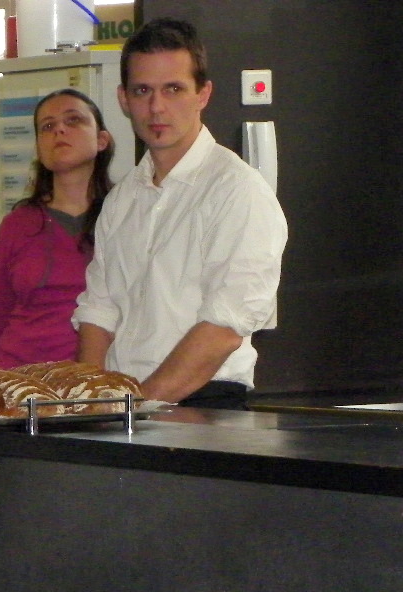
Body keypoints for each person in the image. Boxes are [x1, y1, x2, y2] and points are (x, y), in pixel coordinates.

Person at [73, 18, 288, 409]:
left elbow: (224, 329)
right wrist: (88, 402)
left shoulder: (238, 190)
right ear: (123, 99)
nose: (156, 107)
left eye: (173, 89)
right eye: (143, 91)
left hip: (204, 404)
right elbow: (99, 311)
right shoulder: (121, 200)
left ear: (203, 94)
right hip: (126, 403)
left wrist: (137, 407)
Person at [0, 89, 113, 369]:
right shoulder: (17, 224)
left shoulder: (125, 215)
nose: (59, 130)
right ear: (39, 148)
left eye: (73, 120)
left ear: (102, 140)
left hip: (96, 379)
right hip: (16, 378)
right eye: (48, 126)